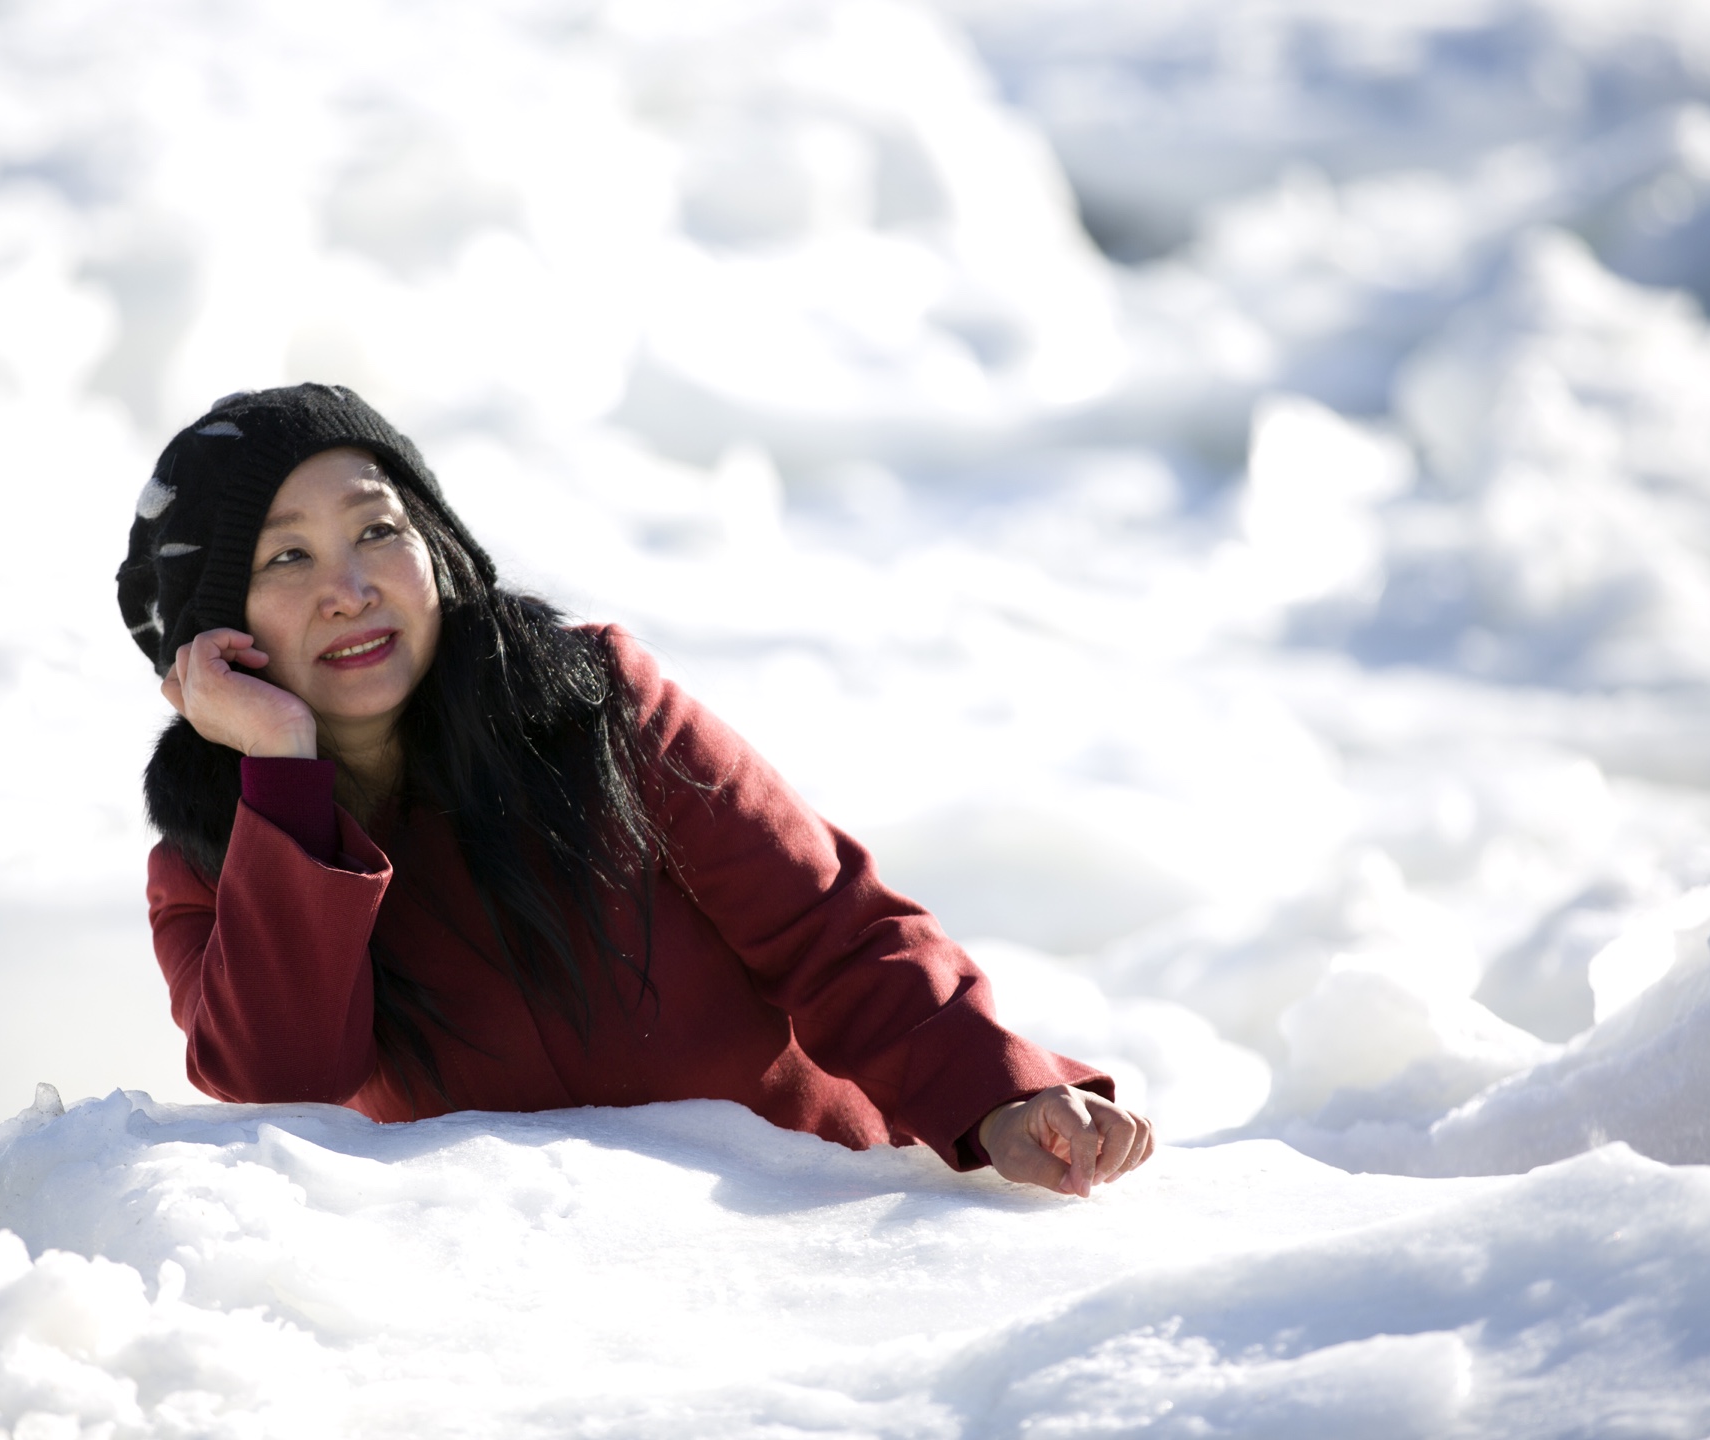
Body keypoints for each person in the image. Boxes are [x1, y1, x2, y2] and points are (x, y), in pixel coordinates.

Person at [117, 383, 1154, 1197]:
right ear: (216, 632)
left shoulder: (596, 709)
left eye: (378, 530)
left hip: (817, 1239)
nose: (351, 589)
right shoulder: (218, 861)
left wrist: (1002, 1094)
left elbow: (834, 931)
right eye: (287, 556)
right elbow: (281, 1086)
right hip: (539, 1327)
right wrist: (284, 781)